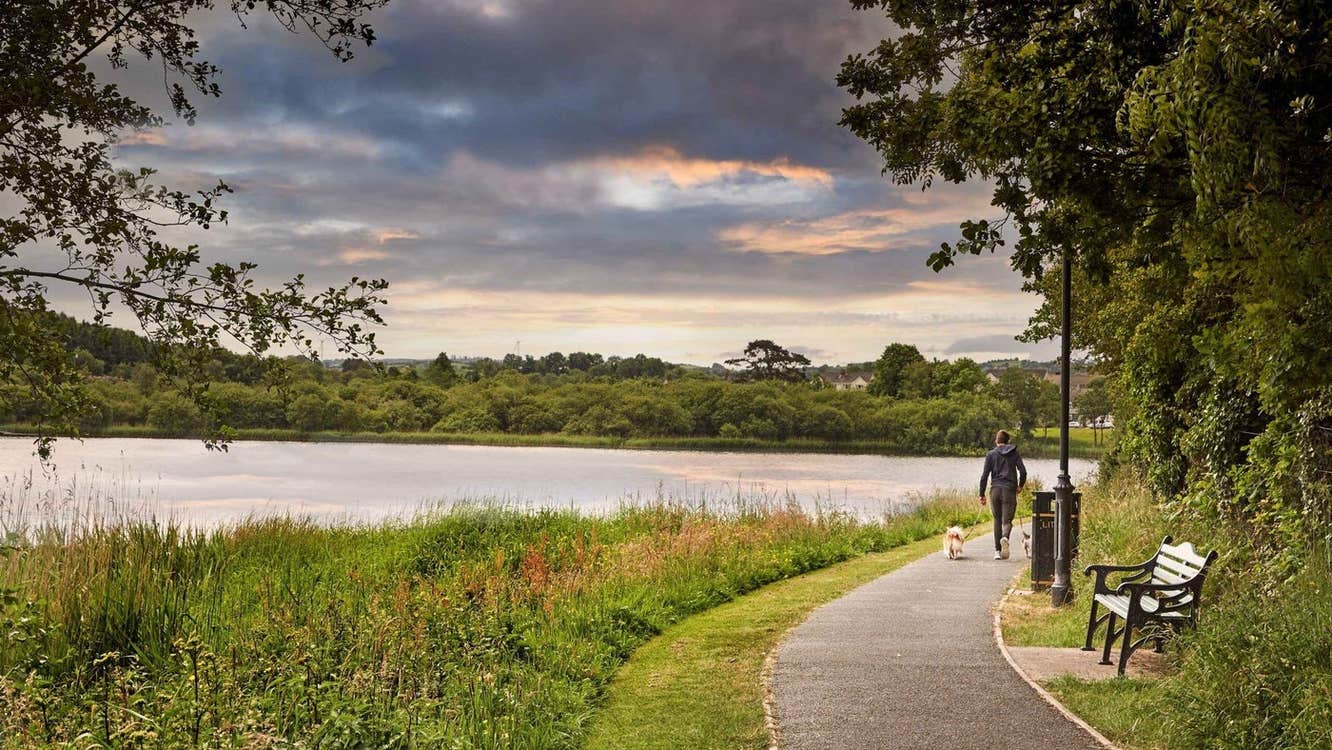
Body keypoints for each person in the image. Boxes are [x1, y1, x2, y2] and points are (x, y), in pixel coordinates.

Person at [979, 429, 1027, 560]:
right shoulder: (1014, 453)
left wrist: (981, 494)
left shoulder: (990, 454)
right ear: (1008, 441)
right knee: (1007, 521)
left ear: (996, 441)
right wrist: (1020, 486)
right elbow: (1023, 472)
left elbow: (984, 476)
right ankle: (1005, 537)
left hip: (995, 490)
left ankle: (997, 552)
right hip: (1009, 491)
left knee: (997, 520)